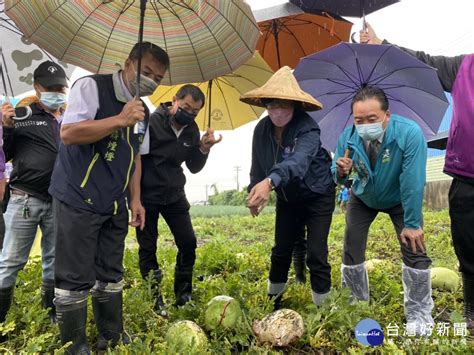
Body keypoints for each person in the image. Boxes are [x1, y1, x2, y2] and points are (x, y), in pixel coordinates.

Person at [48, 42, 169, 353]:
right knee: (74, 276)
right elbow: (69, 133)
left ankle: (111, 335)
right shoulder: (91, 86)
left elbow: (137, 158)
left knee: (111, 273)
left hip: (114, 201)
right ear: (128, 64)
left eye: (157, 77)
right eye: (146, 71)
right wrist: (119, 119)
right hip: (78, 196)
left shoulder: (144, 111)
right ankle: (75, 345)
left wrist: (136, 200)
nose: (150, 80)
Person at [361, 23, 474, 333]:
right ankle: (472, 310)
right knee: (467, 246)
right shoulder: (463, 67)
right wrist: (382, 44)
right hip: (467, 176)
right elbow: (420, 63)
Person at [334, 85, 432, 335]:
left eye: (372, 119)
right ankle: (355, 302)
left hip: (399, 197)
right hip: (364, 197)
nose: (365, 125)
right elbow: (340, 180)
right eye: (359, 120)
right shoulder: (347, 137)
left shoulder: (409, 134)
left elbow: (412, 181)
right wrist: (341, 172)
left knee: (414, 246)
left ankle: (419, 313)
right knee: (351, 246)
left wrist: (411, 223)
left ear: (387, 115)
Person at [241, 66, 335, 308]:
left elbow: (297, 162)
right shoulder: (261, 130)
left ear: (295, 105)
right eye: (272, 104)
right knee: (281, 249)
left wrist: (269, 182)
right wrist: (255, 191)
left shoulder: (309, 129)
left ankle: (322, 309)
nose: (277, 110)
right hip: (288, 197)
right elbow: (257, 166)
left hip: (317, 194)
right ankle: (273, 301)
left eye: (284, 104)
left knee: (316, 254)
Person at [137, 84, 222, 312]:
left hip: (175, 195)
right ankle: (154, 298)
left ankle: (183, 295)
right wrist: (134, 198)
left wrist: (204, 148)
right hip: (148, 195)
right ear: (174, 100)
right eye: (185, 107)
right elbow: (136, 159)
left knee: (188, 242)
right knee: (148, 247)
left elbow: (193, 166)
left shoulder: (192, 130)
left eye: (195, 112)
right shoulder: (152, 123)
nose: (189, 114)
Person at [0, 61, 68, 330]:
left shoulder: (67, 118)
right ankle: (2, 319)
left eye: (60, 87)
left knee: (53, 259)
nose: (57, 92)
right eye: (50, 88)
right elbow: (8, 153)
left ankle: (49, 312)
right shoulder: (22, 113)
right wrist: (6, 126)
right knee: (10, 261)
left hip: (57, 200)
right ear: (37, 88)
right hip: (24, 199)